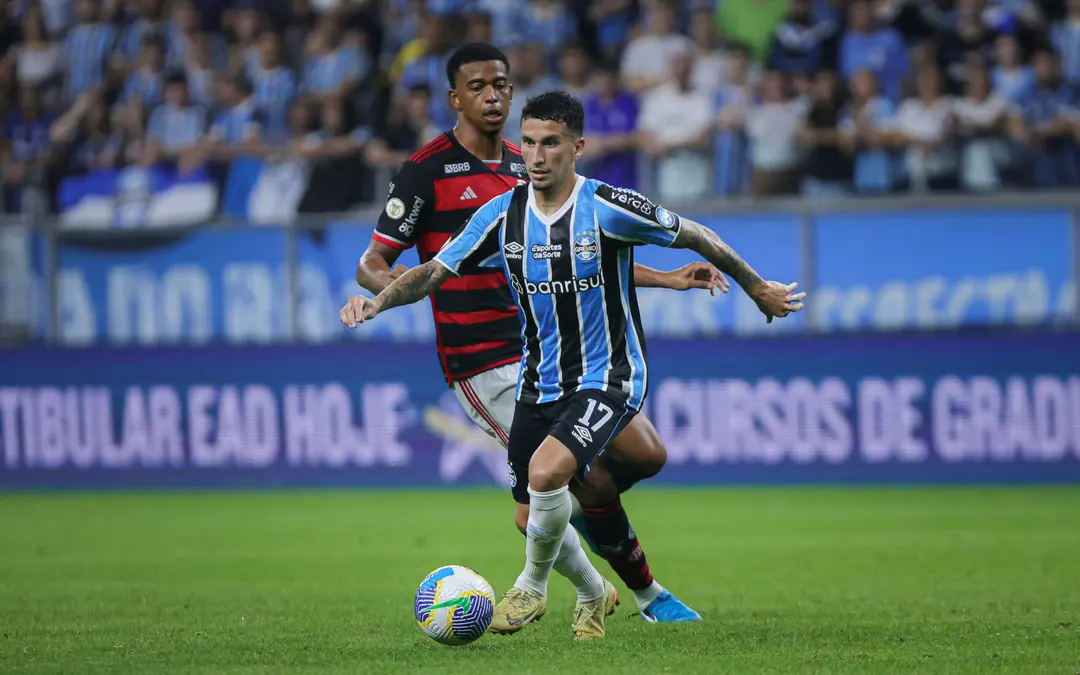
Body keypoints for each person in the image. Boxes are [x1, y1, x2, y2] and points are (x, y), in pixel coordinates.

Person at [340, 90, 806, 639]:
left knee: (554, 472)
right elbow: (433, 272)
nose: (536, 156)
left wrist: (756, 288)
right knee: (533, 511)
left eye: (551, 145)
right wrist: (377, 301)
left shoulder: (607, 204)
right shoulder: (501, 214)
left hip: (607, 376)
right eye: (530, 142)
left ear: (577, 148)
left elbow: (698, 235)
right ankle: (597, 594)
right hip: (539, 381)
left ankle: (530, 588)